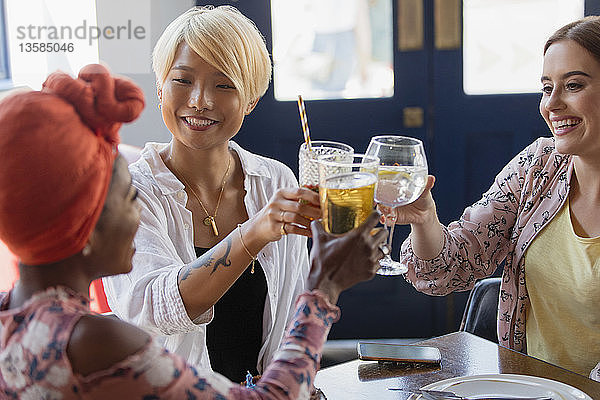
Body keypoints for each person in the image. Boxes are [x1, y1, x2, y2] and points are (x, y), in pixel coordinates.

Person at [0, 64, 388, 398]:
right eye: (127, 197)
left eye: (224, 84)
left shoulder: (13, 317)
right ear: (83, 228)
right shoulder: (97, 344)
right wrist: (324, 288)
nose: (139, 212)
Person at [101, 5, 323, 382]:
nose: (199, 100)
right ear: (160, 88)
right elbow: (152, 309)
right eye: (183, 80)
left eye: (224, 84)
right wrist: (255, 232)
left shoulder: (275, 180)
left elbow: (291, 317)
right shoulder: (132, 191)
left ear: (250, 100)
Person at [398, 16, 600, 381]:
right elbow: (447, 269)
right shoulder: (539, 165)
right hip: (532, 390)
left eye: (572, 85)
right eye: (545, 87)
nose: (552, 104)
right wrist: (424, 218)